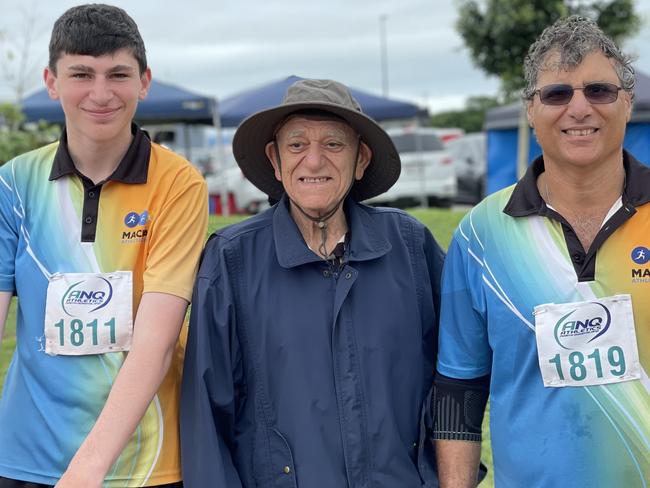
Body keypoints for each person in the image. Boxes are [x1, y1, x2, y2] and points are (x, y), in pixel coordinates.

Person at [180, 78, 444, 487]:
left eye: (334, 145)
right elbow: (205, 416)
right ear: (275, 159)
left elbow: (459, 376)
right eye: (297, 145)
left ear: (361, 159)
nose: (314, 161)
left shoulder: (409, 246)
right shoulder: (232, 259)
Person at [433, 15, 650, 488]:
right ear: (530, 110)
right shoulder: (480, 236)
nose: (579, 108)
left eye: (599, 91)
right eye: (556, 94)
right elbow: (459, 391)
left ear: (627, 102)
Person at [0, 5, 207, 487]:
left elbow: (155, 344)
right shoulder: (14, 182)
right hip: (22, 456)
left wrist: (87, 470)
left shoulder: (178, 184)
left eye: (118, 74)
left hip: (143, 462)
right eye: (81, 74)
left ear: (144, 81)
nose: (100, 93)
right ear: (51, 81)